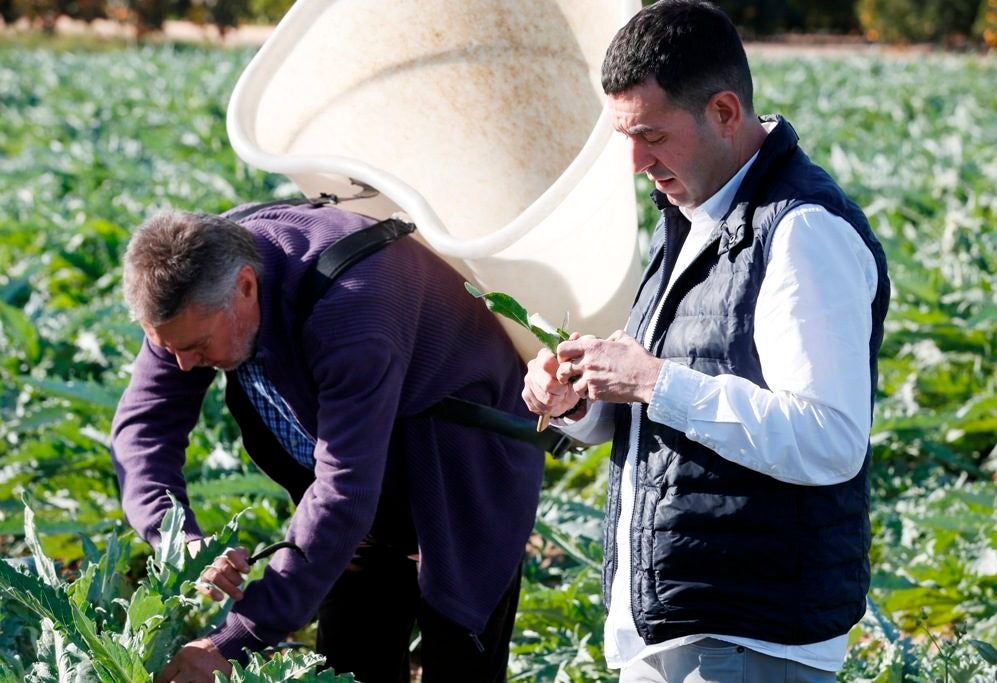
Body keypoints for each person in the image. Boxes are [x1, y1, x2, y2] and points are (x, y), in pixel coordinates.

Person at [522, 1, 890, 681]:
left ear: (724, 111)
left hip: (751, 642)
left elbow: (831, 439)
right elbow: (666, 407)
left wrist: (655, 380)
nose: (635, 161)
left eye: (651, 135)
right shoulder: (692, 215)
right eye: (625, 136)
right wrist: (585, 396)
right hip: (689, 634)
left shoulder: (802, 232)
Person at [111, 201, 544, 682]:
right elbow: (143, 428)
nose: (184, 366)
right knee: (350, 663)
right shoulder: (195, 291)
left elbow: (344, 491)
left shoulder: (352, 309)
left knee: (459, 651)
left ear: (247, 288)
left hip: (457, 474)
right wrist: (179, 538)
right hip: (354, 492)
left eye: (196, 347)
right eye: (168, 348)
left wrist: (232, 639)